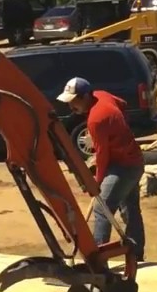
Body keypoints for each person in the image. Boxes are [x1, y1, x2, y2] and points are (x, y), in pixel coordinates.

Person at [56, 77, 146, 260]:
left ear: (84, 97)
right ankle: (136, 255)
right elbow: (122, 103)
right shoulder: (101, 95)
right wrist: (118, 130)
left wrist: (95, 181)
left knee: (102, 208)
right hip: (133, 161)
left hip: (124, 167)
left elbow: (102, 156)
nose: (71, 108)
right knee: (130, 209)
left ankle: (97, 257)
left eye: (73, 103)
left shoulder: (96, 120)